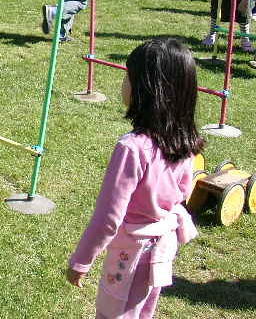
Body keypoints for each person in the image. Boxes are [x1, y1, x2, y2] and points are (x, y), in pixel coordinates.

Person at [67, 38, 204, 319]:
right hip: (161, 251)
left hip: (129, 253)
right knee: (143, 311)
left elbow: (108, 218)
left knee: (114, 312)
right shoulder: (186, 142)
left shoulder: (132, 148)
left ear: (148, 90)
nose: (123, 84)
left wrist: (81, 261)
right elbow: (183, 192)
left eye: (128, 77)